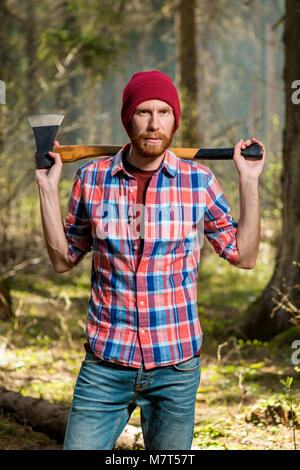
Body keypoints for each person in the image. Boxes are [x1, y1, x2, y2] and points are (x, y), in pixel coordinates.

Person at [35, 70, 266, 450]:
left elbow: (245, 256)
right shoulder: (92, 179)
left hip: (175, 366)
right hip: (106, 363)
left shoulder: (198, 182)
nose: (154, 123)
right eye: (144, 112)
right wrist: (46, 188)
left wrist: (249, 181)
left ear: (175, 119)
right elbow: (63, 259)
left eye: (164, 112)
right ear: (129, 119)